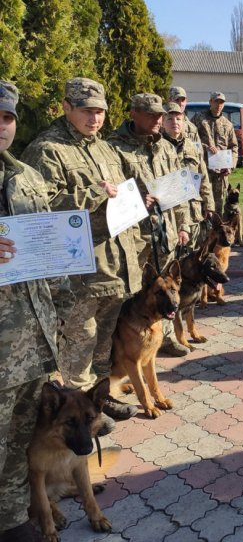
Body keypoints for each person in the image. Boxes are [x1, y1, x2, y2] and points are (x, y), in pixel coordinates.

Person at [21, 77, 141, 422]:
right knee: (80, 341)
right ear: (66, 107)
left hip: (113, 264)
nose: (95, 118)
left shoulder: (104, 147)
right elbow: (39, 209)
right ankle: (76, 415)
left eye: (100, 111)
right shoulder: (48, 150)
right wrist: (94, 194)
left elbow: (122, 197)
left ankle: (99, 401)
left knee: (103, 340)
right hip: (79, 273)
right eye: (87, 111)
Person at [0, 81, 62, 542]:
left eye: (7, 117)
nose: (2, 126)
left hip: (31, 342)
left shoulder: (26, 176)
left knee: (20, 438)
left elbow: (50, 244)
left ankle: (12, 517)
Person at [108, 93, 192, 357]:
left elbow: (179, 190)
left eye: (160, 115)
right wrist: (135, 199)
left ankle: (164, 338)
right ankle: (126, 349)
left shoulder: (165, 147)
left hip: (164, 234)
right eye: (151, 115)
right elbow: (110, 193)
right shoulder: (114, 147)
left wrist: (183, 225)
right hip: (134, 238)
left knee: (165, 292)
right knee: (132, 294)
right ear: (133, 113)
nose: (158, 120)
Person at [162, 102, 216, 248]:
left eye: (178, 119)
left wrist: (209, 204)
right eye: (169, 119)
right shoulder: (157, 147)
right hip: (170, 213)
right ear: (162, 122)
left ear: (184, 122)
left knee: (193, 252)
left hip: (193, 210)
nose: (175, 122)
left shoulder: (192, 147)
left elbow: (203, 177)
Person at [192, 91, 238, 218]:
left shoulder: (228, 124)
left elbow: (234, 147)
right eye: (216, 101)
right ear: (210, 102)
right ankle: (203, 229)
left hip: (220, 174)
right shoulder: (199, 119)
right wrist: (205, 147)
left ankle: (216, 229)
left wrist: (230, 165)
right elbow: (189, 140)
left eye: (221, 102)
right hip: (203, 170)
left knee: (218, 207)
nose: (218, 105)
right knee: (201, 204)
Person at [168, 86, 203, 153]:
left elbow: (199, 152)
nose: (181, 103)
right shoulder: (161, 122)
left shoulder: (191, 127)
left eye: (183, 100)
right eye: (177, 100)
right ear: (169, 100)